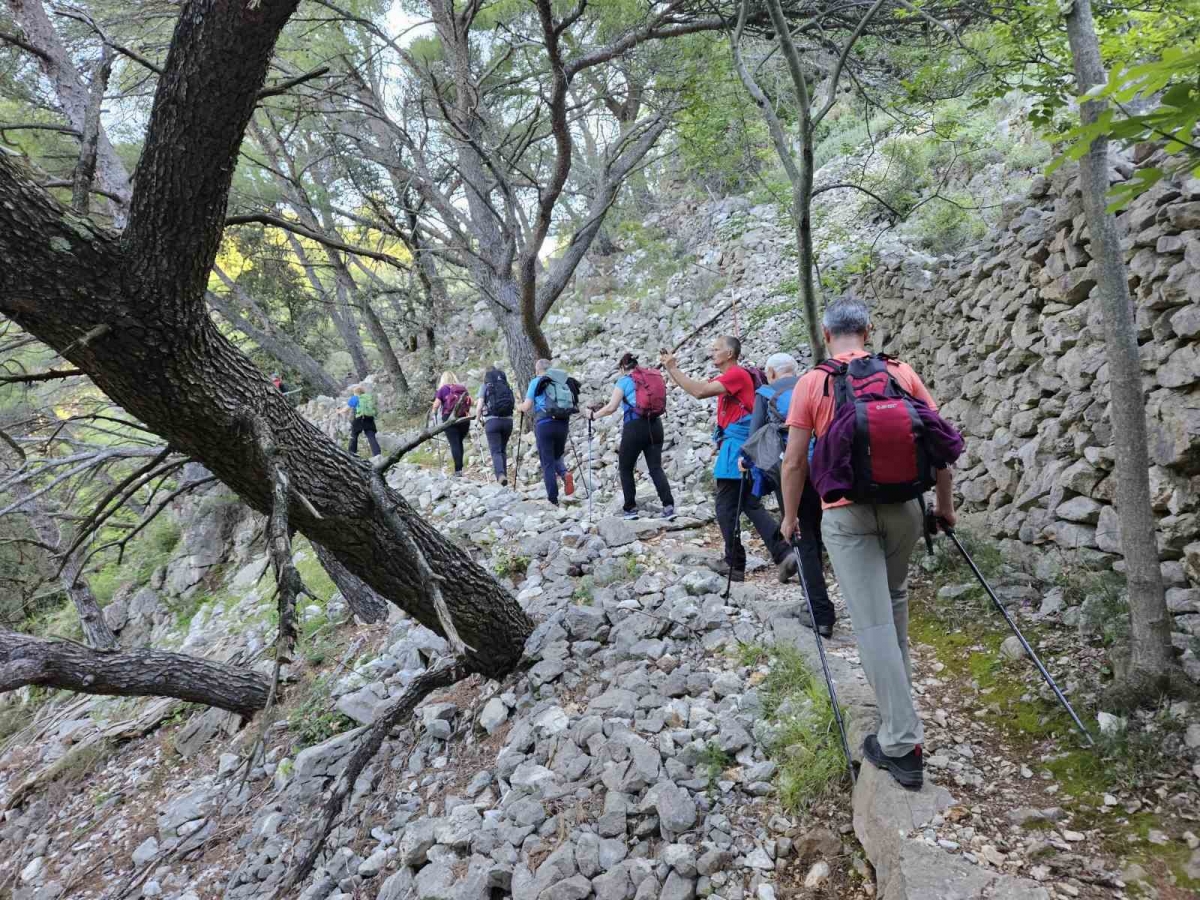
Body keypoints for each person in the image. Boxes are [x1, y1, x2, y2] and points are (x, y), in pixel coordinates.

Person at [780, 298, 957, 791]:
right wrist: (944, 507)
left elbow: (794, 463)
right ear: (869, 328)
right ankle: (895, 707)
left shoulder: (812, 382)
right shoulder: (901, 373)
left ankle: (901, 741)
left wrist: (791, 518)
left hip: (845, 514)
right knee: (893, 604)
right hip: (906, 509)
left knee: (873, 621)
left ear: (825, 331)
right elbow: (940, 447)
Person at [660, 337, 796, 583]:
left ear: (731, 353)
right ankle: (783, 553)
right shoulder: (731, 378)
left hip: (737, 449)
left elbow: (699, 391)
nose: (711, 352)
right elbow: (695, 387)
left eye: (716, 349)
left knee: (724, 506)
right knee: (749, 504)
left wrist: (672, 367)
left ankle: (734, 563)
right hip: (743, 444)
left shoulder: (736, 374)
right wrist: (673, 371)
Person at [743, 352, 833, 629]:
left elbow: (755, 435)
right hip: (825, 466)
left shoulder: (765, 392)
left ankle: (819, 612)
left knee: (802, 535)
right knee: (825, 532)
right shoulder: (813, 384)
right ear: (795, 370)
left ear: (770, 372)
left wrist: (745, 461)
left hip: (792, 472)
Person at [585, 352, 674, 520]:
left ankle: (630, 509)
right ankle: (668, 506)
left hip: (634, 427)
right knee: (655, 467)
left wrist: (594, 416)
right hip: (656, 425)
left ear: (622, 367)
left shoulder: (624, 381)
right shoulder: (650, 377)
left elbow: (612, 407)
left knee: (626, 468)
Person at [518, 359, 577, 506]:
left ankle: (553, 499)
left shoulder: (536, 381)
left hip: (544, 424)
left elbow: (526, 406)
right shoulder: (562, 381)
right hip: (563, 423)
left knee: (547, 463)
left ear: (537, 370)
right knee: (557, 455)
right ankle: (564, 473)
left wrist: (518, 407)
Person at [476, 366, 515, 486]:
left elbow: (479, 406)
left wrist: (477, 420)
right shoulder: (505, 385)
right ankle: (504, 478)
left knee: (496, 451)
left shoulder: (485, 386)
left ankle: (500, 475)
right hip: (508, 421)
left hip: (492, 422)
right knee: (502, 450)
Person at [431, 372, 473, 477]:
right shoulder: (462, 388)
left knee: (454, 443)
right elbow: (471, 402)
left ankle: (458, 471)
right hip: (464, 418)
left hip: (449, 418)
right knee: (459, 442)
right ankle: (460, 469)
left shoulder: (442, 389)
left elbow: (436, 405)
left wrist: (434, 412)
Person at [344, 384, 380, 458]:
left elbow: (345, 409)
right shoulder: (369, 397)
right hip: (369, 418)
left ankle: (351, 455)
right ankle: (377, 455)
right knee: (371, 437)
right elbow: (375, 409)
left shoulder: (355, 398)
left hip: (359, 419)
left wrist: (338, 411)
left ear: (355, 392)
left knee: (354, 436)